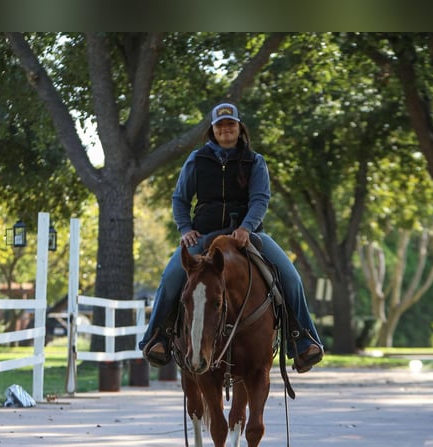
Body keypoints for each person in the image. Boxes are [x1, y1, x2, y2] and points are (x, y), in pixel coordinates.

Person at [139, 102, 324, 373]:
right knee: (170, 279)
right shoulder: (196, 160)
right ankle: (158, 339)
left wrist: (247, 227)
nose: (226, 130)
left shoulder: (255, 161)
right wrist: (185, 229)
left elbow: (260, 199)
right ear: (213, 131)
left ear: (239, 128)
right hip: (203, 236)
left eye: (231, 125)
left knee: (291, 277)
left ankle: (302, 340)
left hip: (248, 235)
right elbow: (180, 199)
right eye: (220, 126)